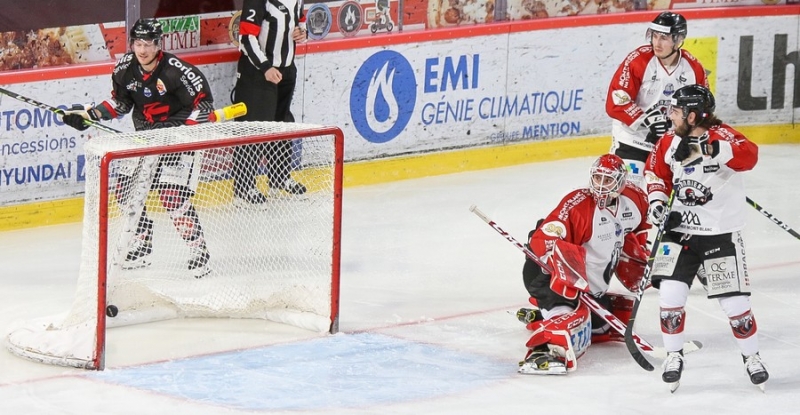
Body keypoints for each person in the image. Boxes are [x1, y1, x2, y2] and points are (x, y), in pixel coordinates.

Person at [62, 18, 216, 278]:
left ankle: (198, 250)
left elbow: (204, 105)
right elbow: (120, 104)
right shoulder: (125, 68)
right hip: (145, 138)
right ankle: (142, 244)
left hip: (178, 140)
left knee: (171, 195)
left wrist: (181, 129)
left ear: (159, 44)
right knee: (123, 190)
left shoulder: (177, 72)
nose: (142, 50)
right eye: (138, 43)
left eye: (149, 44)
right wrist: (90, 116)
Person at [644, 84, 768, 391]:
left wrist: (711, 149)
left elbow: (749, 157)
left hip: (718, 235)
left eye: (675, 111)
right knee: (670, 298)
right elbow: (655, 173)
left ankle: (751, 357)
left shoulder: (724, 136)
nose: (669, 115)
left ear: (693, 115)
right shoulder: (668, 141)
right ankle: (674, 355)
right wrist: (658, 204)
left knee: (735, 305)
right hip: (678, 233)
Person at [516, 153, 651, 375]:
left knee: (605, 324)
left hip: (590, 287)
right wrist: (557, 262)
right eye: (597, 178)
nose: (600, 185)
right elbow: (544, 238)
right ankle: (545, 350)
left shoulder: (635, 200)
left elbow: (640, 227)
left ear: (621, 182)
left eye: (607, 180)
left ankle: (542, 316)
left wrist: (641, 256)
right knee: (574, 321)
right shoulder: (579, 205)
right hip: (551, 278)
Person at [605, 11, 708, 192]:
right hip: (633, 141)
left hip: (671, 144)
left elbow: (703, 111)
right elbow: (616, 101)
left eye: (664, 38)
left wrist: (689, 139)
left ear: (678, 40)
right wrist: (646, 119)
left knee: (675, 196)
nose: (657, 43)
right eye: (654, 36)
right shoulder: (638, 60)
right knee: (628, 194)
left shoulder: (694, 69)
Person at [231, 0, 308, 207]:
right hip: (257, 73)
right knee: (253, 128)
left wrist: (303, 31)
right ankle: (243, 188)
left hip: (286, 69)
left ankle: (279, 178)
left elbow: (299, 18)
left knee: (282, 124)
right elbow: (246, 38)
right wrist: (264, 67)